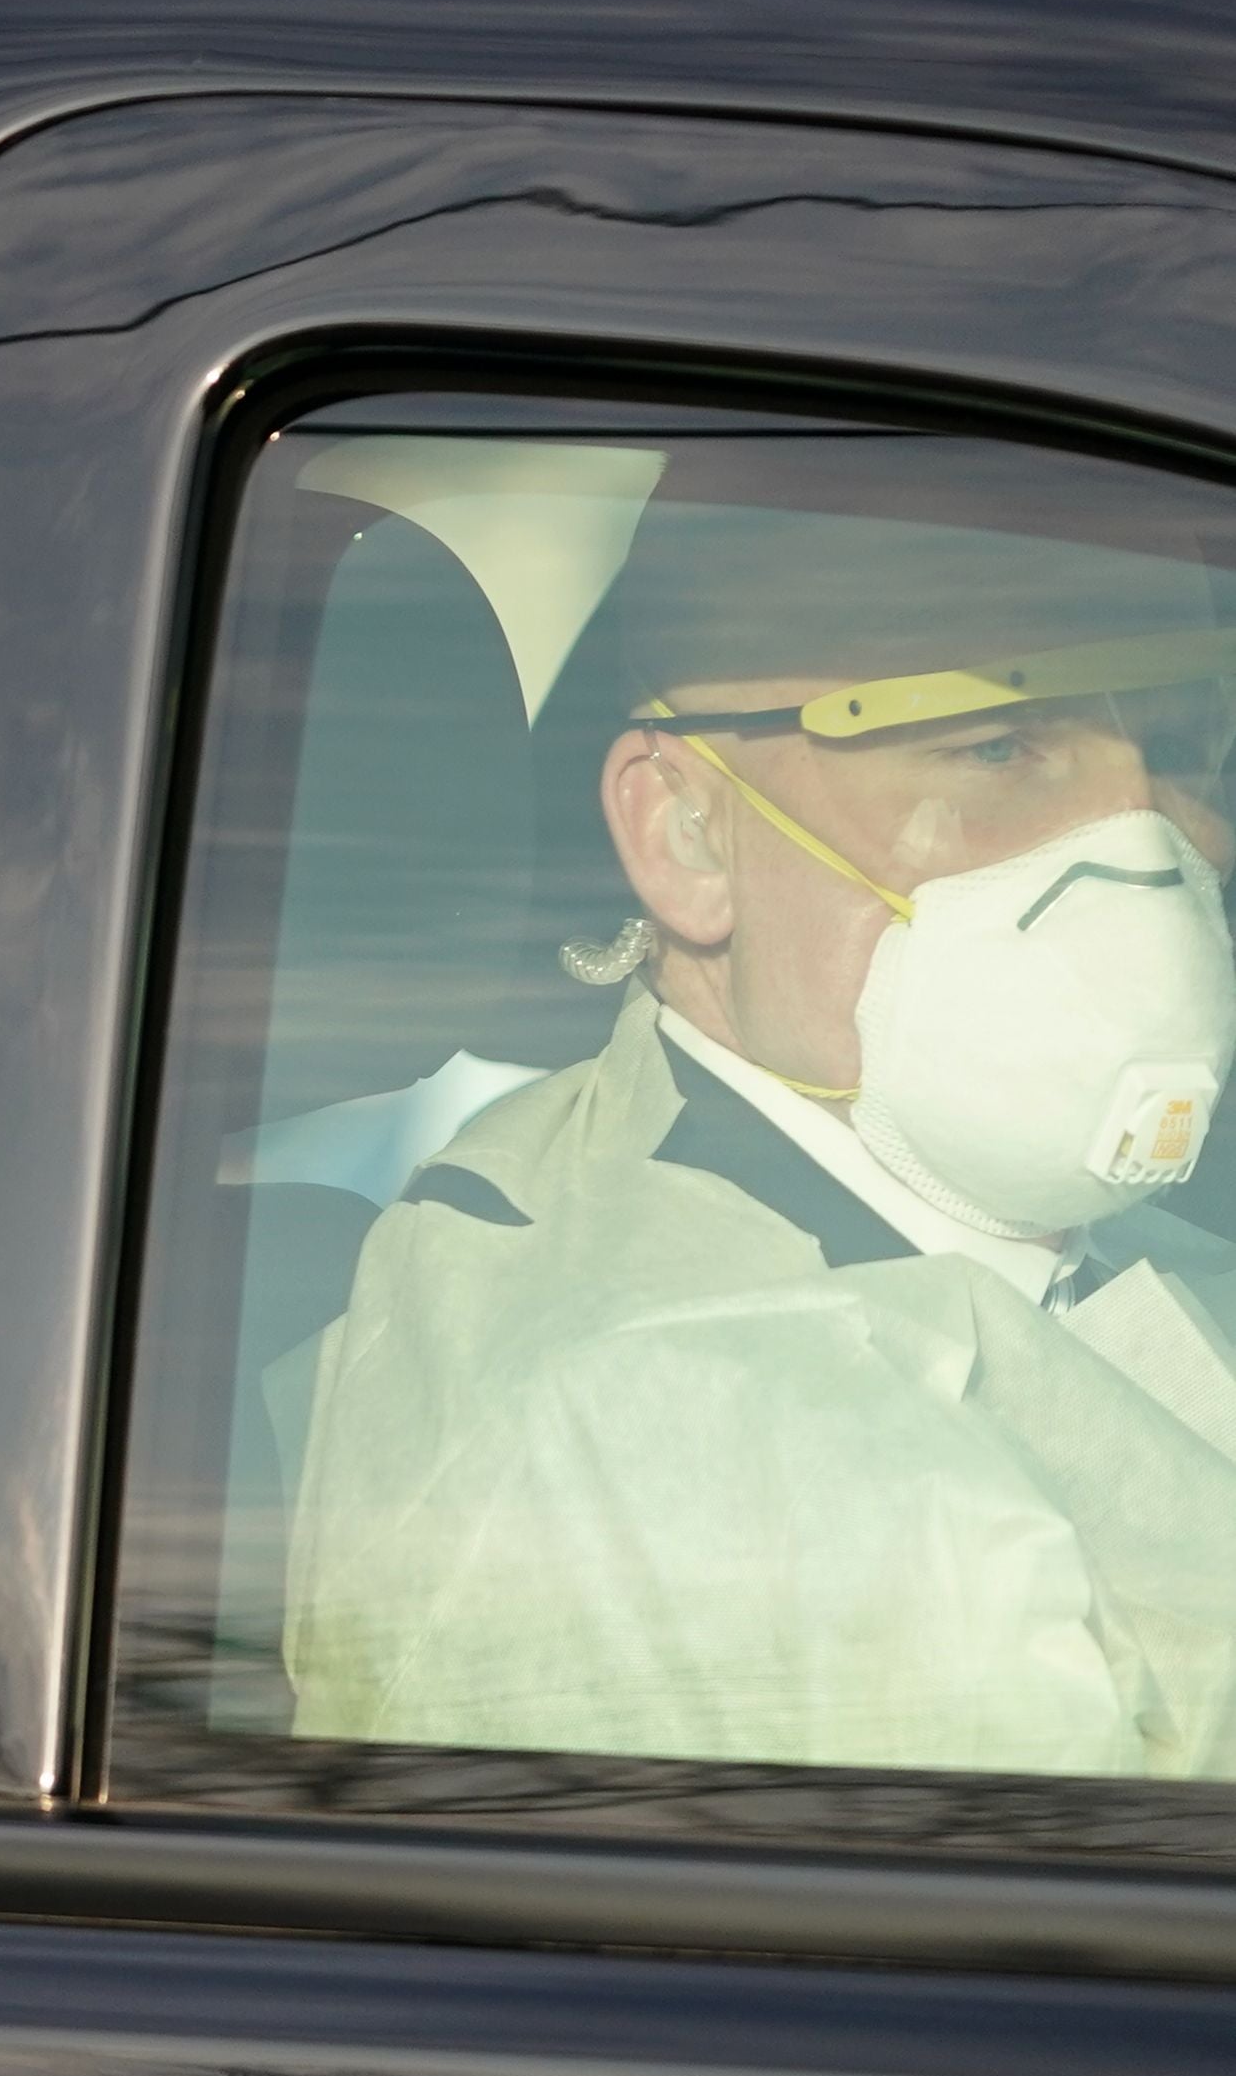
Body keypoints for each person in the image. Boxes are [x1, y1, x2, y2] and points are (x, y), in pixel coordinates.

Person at [287, 445, 1236, 1777]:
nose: (1140, 834)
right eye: (997, 741)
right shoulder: (627, 1408)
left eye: (1184, 749)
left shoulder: (1105, 1239)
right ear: (685, 832)